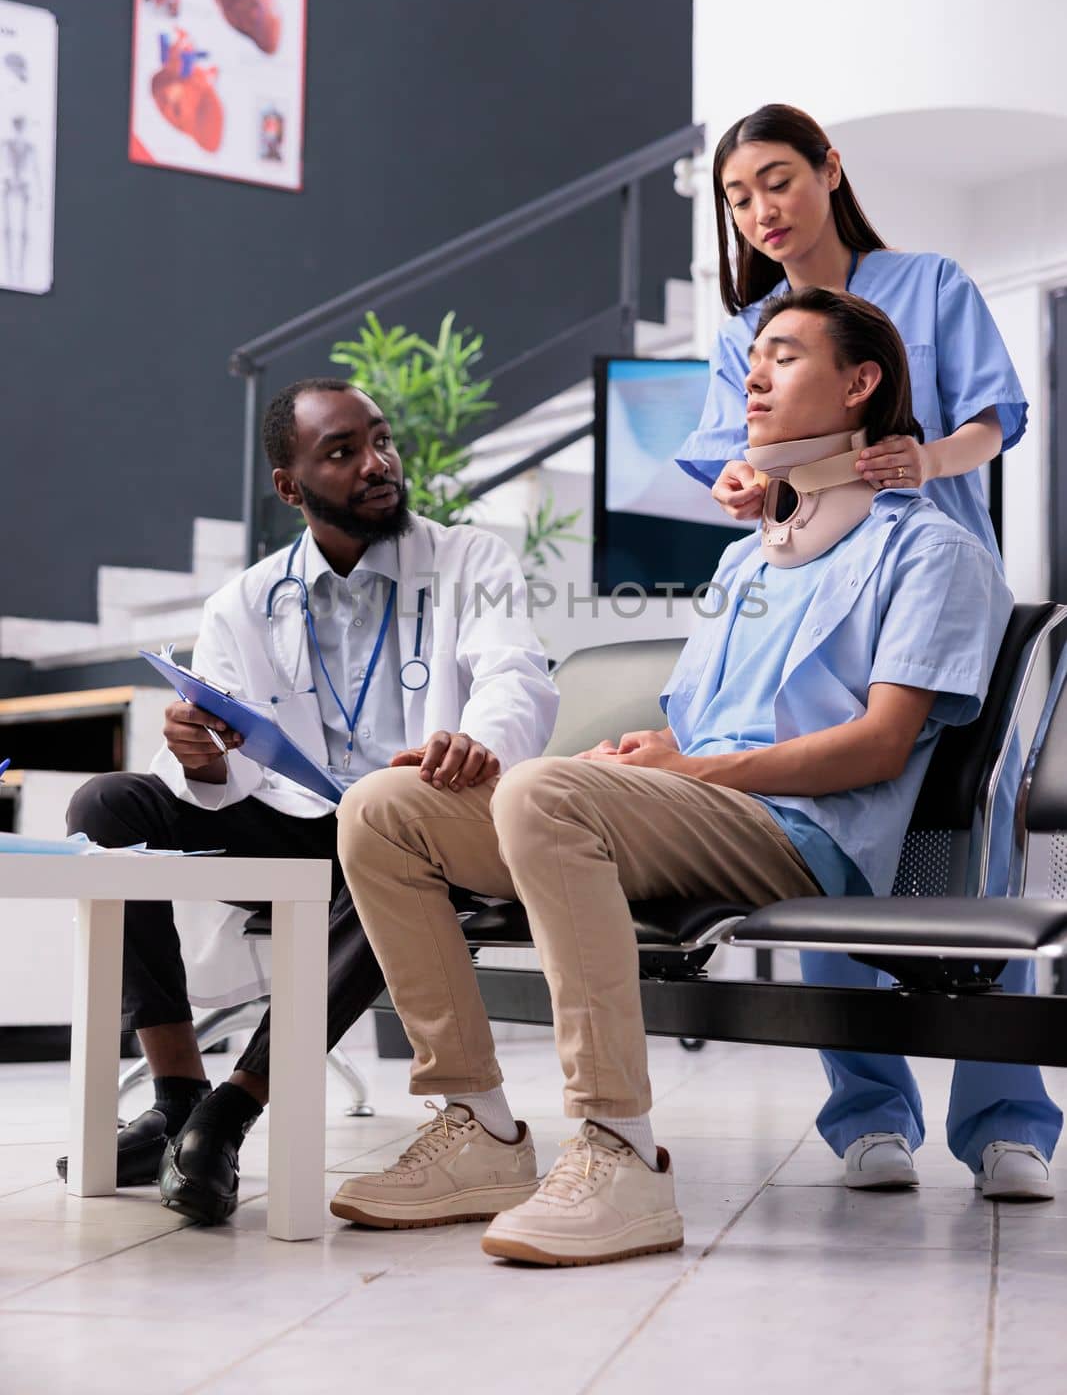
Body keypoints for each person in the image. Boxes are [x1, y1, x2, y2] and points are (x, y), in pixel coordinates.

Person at [329, 288, 1044, 1269]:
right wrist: (629, 759)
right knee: (384, 809)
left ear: (860, 382)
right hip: (701, 811)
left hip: (805, 832)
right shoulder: (743, 564)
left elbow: (877, 747)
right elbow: (685, 731)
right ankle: (480, 1129)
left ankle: (617, 1150)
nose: (750, 374)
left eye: (784, 356)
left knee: (541, 792)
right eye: (753, 356)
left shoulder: (930, 552)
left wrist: (673, 771)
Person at [59, 377, 558, 1224]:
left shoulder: (467, 559)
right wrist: (203, 762)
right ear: (290, 487)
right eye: (342, 452)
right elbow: (224, 769)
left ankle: (229, 1112)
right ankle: (178, 1093)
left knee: (391, 838)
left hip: (416, 823)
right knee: (107, 806)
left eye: (381, 440)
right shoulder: (247, 601)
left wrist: (480, 739)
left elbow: (513, 675)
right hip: (292, 828)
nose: (378, 464)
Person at [676, 102, 1061, 1195]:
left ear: (828, 171)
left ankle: (1006, 1117)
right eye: (737, 197)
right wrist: (745, 487)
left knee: (972, 850)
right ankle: (868, 1110)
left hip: (937, 594)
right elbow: (732, 469)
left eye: (776, 181)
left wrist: (923, 457)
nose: (759, 211)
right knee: (822, 834)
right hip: (815, 604)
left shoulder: (928, 285)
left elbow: (994, 420)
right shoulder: (746, 327)